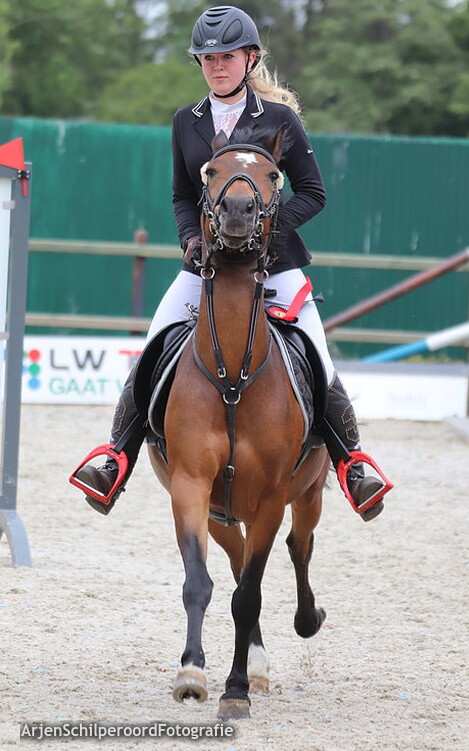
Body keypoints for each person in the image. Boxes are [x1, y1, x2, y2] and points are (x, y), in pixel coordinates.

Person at [73, 5, 386, 521]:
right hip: (208, 266)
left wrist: (265, 230)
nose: (218, 66)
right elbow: (181, 195)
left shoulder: (278, 119)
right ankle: (115, 459)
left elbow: (313, 192)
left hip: (274, 263)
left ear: (250, 59)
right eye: (208, 58)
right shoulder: (185, 122)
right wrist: (191, 237)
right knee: (153, 347)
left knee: (318, 355)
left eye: (228, 57)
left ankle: (352, 464)